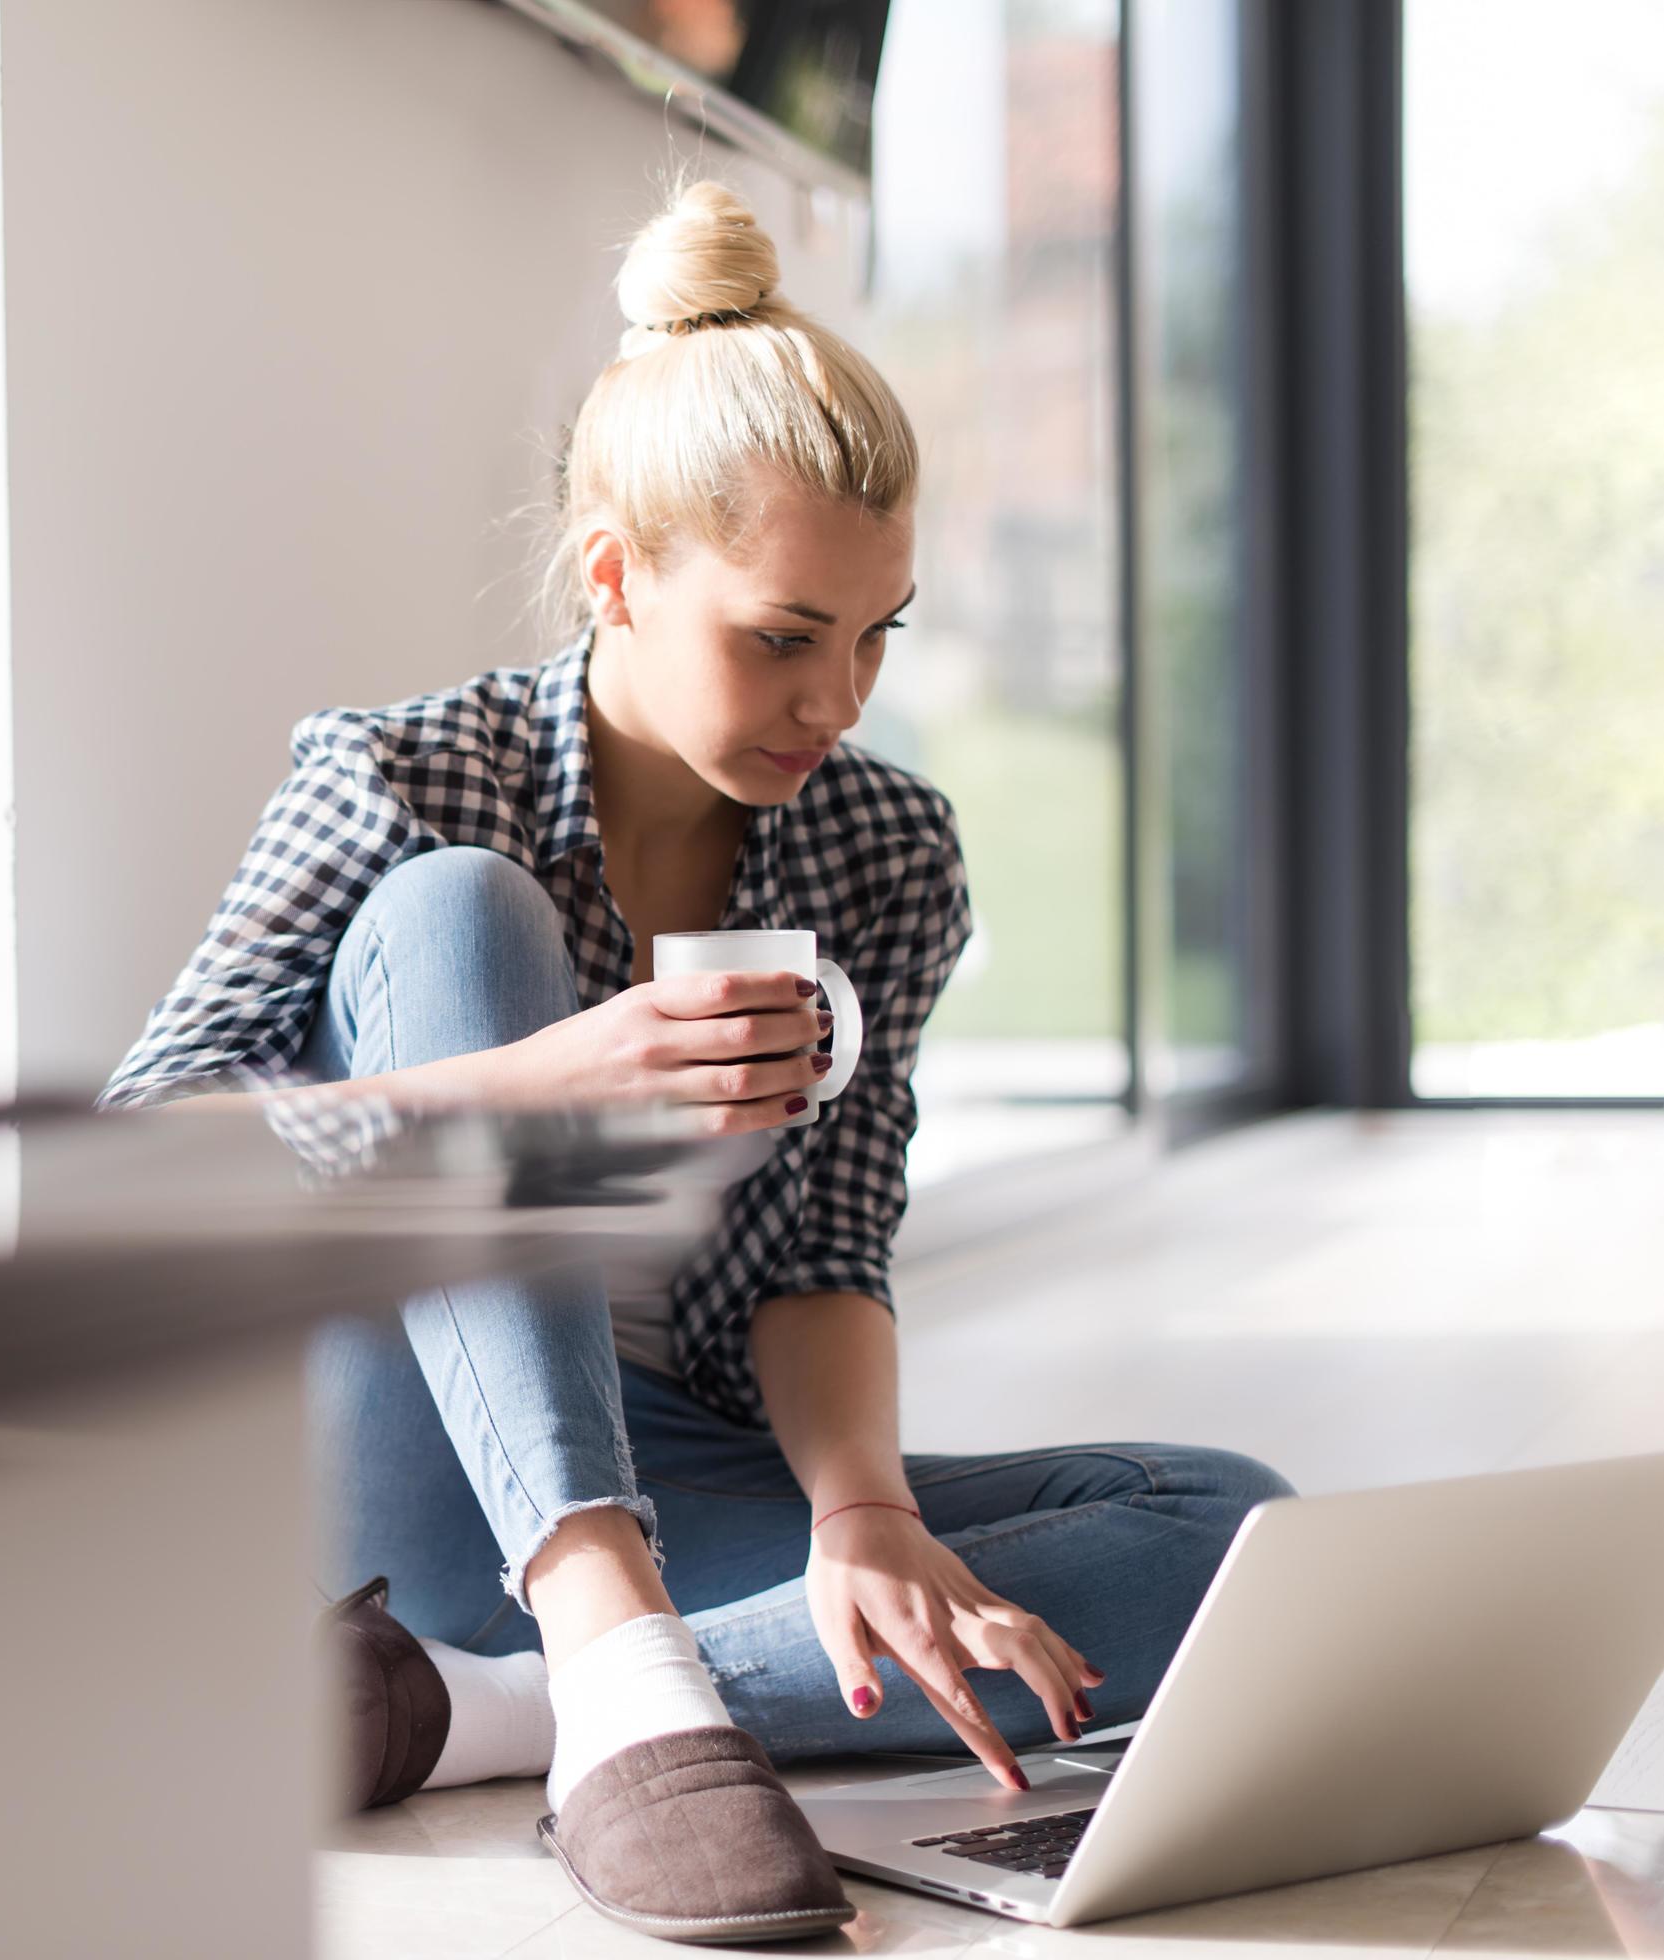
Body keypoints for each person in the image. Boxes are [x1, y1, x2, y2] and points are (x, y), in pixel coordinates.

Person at [96, 179, 1291, 1943]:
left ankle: (476, 1711)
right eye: (783, 637)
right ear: (617, 575)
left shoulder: (883, 850)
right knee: (456, 914)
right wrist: (542, 1079)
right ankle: (606, 1654)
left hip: (678, 1465)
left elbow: (824, 1253)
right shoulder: (405, 777)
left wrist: (862, 1513)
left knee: (1219, 1528)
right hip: (388, 1448)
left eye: (876, 633)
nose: (839, 700)